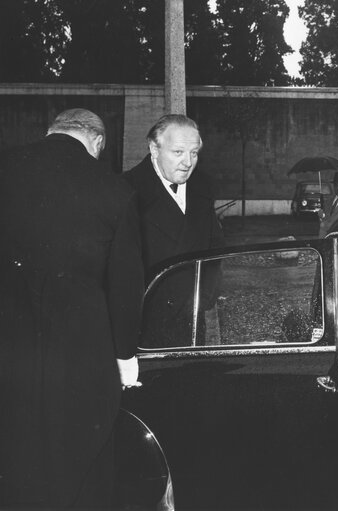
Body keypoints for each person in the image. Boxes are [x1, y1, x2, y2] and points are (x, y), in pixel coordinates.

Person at [0, 108, 144, 508]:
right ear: (97, 142)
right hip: (81, 352)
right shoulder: (115, 191)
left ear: (51, 132)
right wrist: (125, 358)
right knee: (78, 458)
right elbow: (125, 285)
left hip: (8, 344)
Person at [123, 114, 224, 347]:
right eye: (178, 152)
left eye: (194, 153)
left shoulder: (203, 185)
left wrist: (204, 297)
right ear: (154, 150)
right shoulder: (126, 190)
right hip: (144, 324)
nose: (188, 162)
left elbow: (215, 247)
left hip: (191, 319)